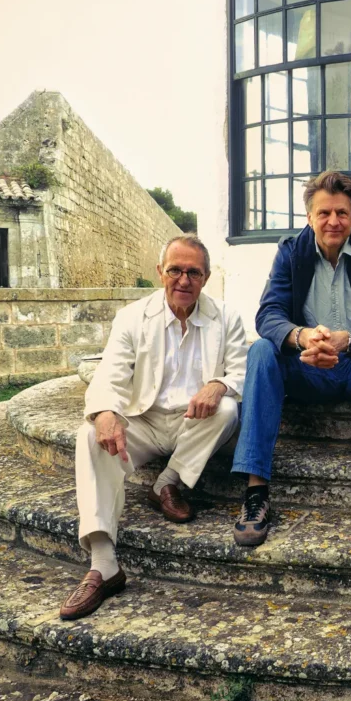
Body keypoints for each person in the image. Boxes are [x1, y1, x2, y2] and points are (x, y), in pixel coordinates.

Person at [61, 234, 247, 620]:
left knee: (227, 408)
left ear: (206, 277)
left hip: (193, 423)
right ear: (160, 272)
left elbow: (243, 369)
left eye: (194, 272)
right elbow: (111, 372)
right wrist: (105, 413)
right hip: (144, 420)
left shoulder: (226, 317)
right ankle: (103, 564)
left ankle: (167, 483)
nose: (184, 280)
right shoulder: (133, 317)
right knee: (90, 436)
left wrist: (218, 384)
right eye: (175, 270)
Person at [230, 171, 351, 550]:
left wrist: (348, 340)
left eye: (342, 213)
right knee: (261, 350)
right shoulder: (290, 252)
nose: (333, 221)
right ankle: (256, 492)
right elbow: (268, 314)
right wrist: (303, 337)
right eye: (324, 213)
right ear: (309, 216)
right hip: (307, 368)